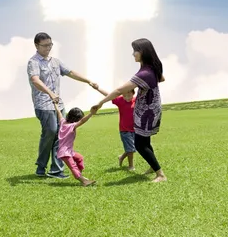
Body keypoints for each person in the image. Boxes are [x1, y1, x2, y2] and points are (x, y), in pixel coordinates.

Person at [91, 38, 167, 183]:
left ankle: (161, 175)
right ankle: (153, 166)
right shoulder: (153, 66)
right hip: (152, 107)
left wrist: (100, 102)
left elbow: (120, 90)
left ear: (142, 52)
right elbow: (161, 79)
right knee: (145, 141)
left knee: (139, 144)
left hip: (146, 111)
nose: (133, 54)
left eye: (135, 51)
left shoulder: (144, 73)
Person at [27, 32, 99, 178]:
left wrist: (88, 81)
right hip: (43, 104)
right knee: (50, 132)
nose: (48, 48)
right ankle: (41, 167)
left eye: (50, 45)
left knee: (62, 135)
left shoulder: (55, 61)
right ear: (36, 45)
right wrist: (50, 93)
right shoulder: (33, 62)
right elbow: (35, 80)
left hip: (58, 105)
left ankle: (56, 170)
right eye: (45, 45)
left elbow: (70, 72)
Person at [92, 85, 137, 171]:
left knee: (134, 147)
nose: (127, 97)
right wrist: (98, 88)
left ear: (133, 93)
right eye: (124, 95)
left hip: (135, 129)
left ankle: (121, 157)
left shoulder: (137, 100)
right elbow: (109, 95)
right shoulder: (120, 100)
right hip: (124, 130)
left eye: (129, 95)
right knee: (130, 149)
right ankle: (131, 166)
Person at [53, 103, 97, 187]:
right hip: (65, 152)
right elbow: (83, 121)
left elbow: (58, 112)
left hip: (68, 151)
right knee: (73, 166)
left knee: (79, 158)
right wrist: (91, 113)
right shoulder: (72, 126)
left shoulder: (62, 122)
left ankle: (80, 175)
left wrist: (55, 104)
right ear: (76, 119)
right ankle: (83, 181)